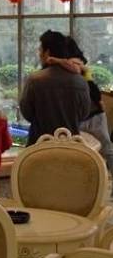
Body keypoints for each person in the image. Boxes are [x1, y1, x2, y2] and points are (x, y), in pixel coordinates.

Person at [46, 37, 113, 172]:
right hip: (89, 111)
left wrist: (55, 60)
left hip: (92, 113)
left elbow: (75, 69)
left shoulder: (75, 63)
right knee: (95, 149)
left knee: (105, 148)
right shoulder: (73, 67)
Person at [20, 30, 91, 145]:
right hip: (71, 145)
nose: (39, 54)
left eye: (40, 50)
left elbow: (27, 112)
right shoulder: (80, 81)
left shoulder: (35, 80)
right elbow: (84, 113)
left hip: (39, 145)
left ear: (47, 52)